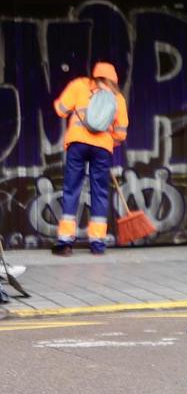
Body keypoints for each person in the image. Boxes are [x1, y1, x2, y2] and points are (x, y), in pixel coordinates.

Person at [51, 61, 129, 256]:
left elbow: (61, 110)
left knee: (72, 189)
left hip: (77, 144)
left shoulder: (80, 85)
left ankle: (65, 241)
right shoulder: (117, 98)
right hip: (102, 148)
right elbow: (121, 133)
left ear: (94, 75)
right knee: (100, 192)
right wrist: (108, 139)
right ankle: (97, 243)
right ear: (114, 79)